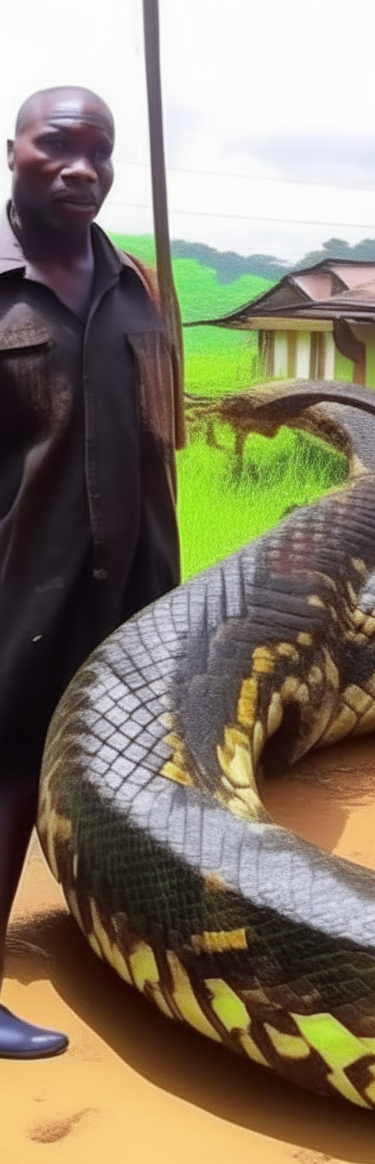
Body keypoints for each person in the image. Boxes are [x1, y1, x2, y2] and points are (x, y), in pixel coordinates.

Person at [0, 86, 184, 1057]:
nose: (81, 167)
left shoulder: (137, 284)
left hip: (138, 577)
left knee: (128, 763)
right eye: (56, 146)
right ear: (13, 151)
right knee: (6, 771)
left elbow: (158, 435)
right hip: (19, 575)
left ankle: (126, 940)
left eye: (100, 152)